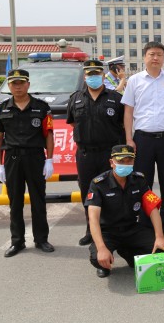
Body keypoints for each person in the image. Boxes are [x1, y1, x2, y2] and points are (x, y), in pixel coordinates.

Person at [0, 69, 55, 257]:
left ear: (28, 84)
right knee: (15, 202)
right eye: (14, 83)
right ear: (9, 86)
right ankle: (17, 241)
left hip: (35, 158)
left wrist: (49, 159)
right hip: (12, 159)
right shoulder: (3, 108)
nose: (17, 87)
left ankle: (41, 239)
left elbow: (48, 135)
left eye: (21, 83)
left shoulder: (41, 107)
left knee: (38, 200)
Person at [121, 42, 164, 241]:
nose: (155, 58)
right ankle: (146, 226)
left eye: (159, 55)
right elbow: (128, 111)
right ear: (144, 57)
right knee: (143, 184)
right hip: (143, 140)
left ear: (163, 58)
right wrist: (129, 138)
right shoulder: (134, 81)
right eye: (151, 54)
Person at [85, 145, 164, 278]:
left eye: (129, 161)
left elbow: (153, 209)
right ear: (112, 162)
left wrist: (160, 237)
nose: (125, 165)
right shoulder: (98, 184)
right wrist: (102, 248)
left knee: (161, 251)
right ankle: (104, 265)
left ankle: (128, 253)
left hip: (132, 229)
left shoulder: (139, 180)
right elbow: (93, 219)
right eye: (121, 161)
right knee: (96, 257)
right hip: (108, 231)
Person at [66, 59, 125, 246]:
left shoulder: (115, 99)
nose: (93, 77)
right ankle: (91, 230)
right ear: (85, 77)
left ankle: (111, 230)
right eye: (89, 74)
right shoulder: (75, 98)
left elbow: (122, 125)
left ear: (103, 75)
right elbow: (73, 123)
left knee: (111, 191)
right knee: (87, 192)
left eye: (96, 74)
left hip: (109, 154)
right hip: (85, 154)